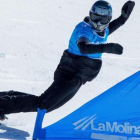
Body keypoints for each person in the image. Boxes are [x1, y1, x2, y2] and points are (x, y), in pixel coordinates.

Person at [0, 0, 135, 121]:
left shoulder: (102, 30)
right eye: (96, 17)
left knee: (46, 104)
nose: (99, 23)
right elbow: (83, 47)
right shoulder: (84, 29)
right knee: (43, 104)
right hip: (69, 73)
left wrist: (123, 18)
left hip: (78, 77)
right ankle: (3, 103)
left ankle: (4, 100)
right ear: (90, 15)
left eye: (103, 20)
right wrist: (107, 48)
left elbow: (109, 28)